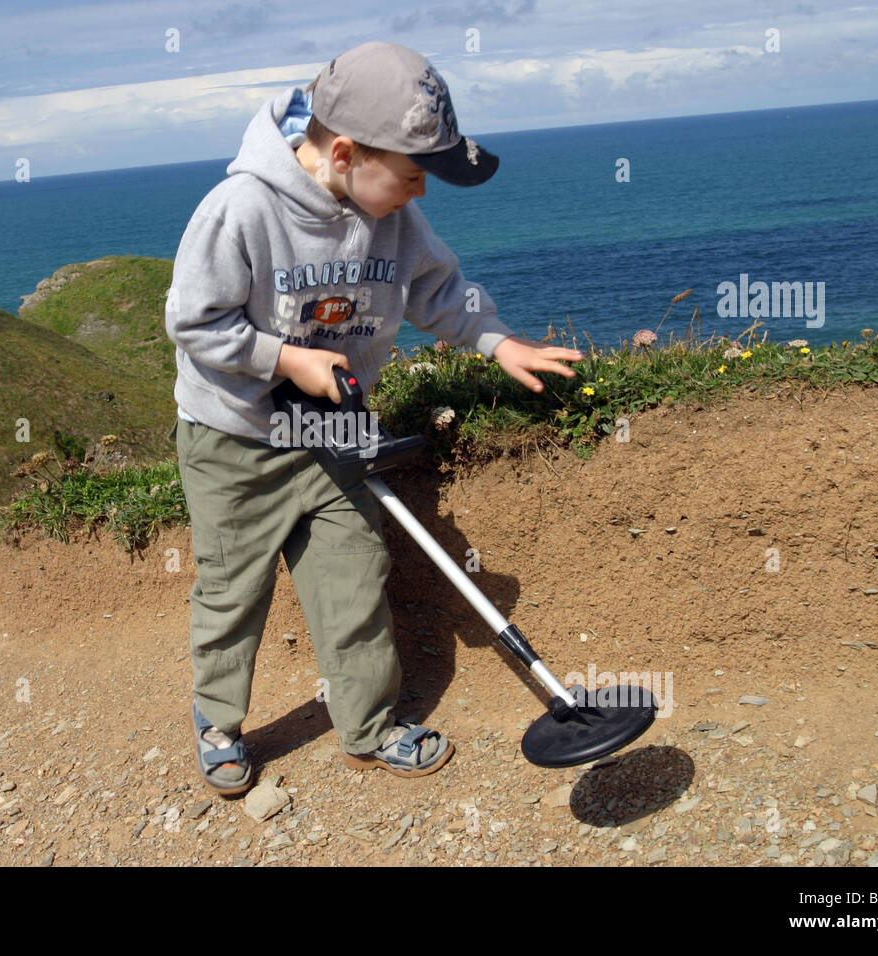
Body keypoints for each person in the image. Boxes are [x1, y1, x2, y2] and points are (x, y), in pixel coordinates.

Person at [165, 41, 584, 796]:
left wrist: (496, 341)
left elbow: (435, 288)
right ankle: (220, 722)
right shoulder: (241, 208)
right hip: (234, 442)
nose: (421, 194)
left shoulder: (390, 214)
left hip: (335, 430)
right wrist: (286, 359)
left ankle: (367, 726)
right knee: (233, 589)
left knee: (354, 576)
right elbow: (193, 321)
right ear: (348, 152)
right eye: (415, 175)